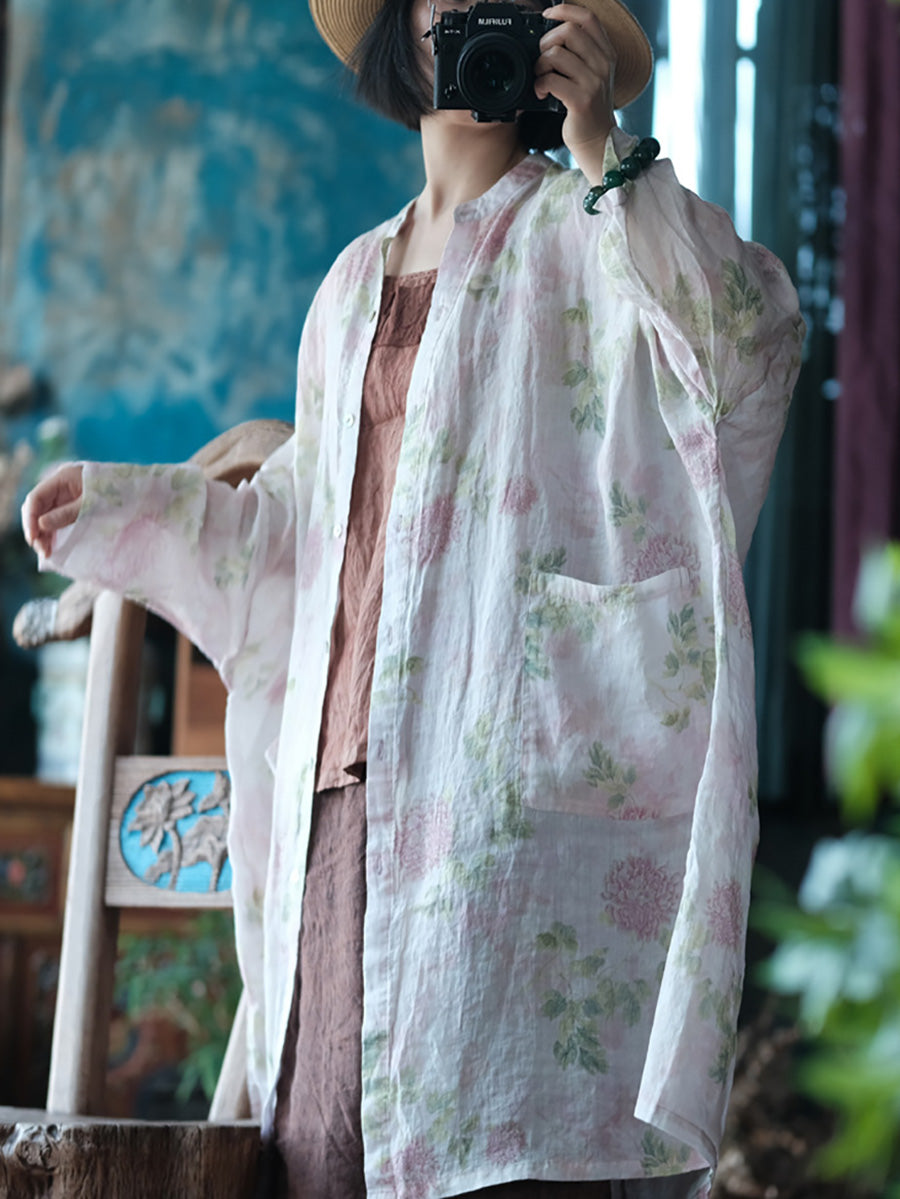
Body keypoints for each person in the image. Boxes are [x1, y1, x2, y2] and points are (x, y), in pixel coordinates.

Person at [22, 0, 805, 1193]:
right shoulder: (348, 287)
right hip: (341, 801)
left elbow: (747, 352)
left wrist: (604, 147)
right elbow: (300, 532)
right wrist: (134, 512)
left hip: (508, 804)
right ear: (399, 24)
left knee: (507, 1143)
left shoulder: (597, 223)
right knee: (329, 1151)